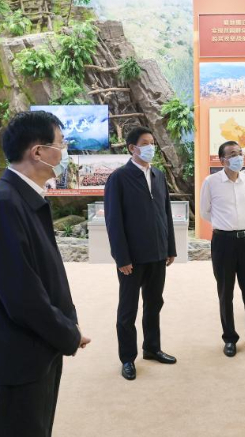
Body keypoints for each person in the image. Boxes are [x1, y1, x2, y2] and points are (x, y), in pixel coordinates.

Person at [0, 111, 91, 437]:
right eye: (61, 144)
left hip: (38, 348)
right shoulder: (4, 204)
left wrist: (66, 325)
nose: (64, 152)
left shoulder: (23, 198)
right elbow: (22, 295)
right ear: (38, 152)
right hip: (19, 356)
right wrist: (67, 333)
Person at [104, 127, 177, 381]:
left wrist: (170, 248)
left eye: (152, 142)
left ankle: (152, 348)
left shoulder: (158, 175)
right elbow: (113, 221)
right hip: (132, 259)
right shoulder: (119, 178)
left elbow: (166, 213)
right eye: (145, 143)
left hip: (157, 254)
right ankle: (127, 358)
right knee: (128, 310)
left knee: (154, 303)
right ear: (131, 148)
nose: (150, 147)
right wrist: (121, 258)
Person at [200, 141, 245, 357]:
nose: (238, 157)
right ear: (222, 160)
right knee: (226, 291)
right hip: (223, 242)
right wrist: (225, 224)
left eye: (240, 153)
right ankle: (230, 338)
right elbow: (204, 211)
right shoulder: (211, 182)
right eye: (232, 154)